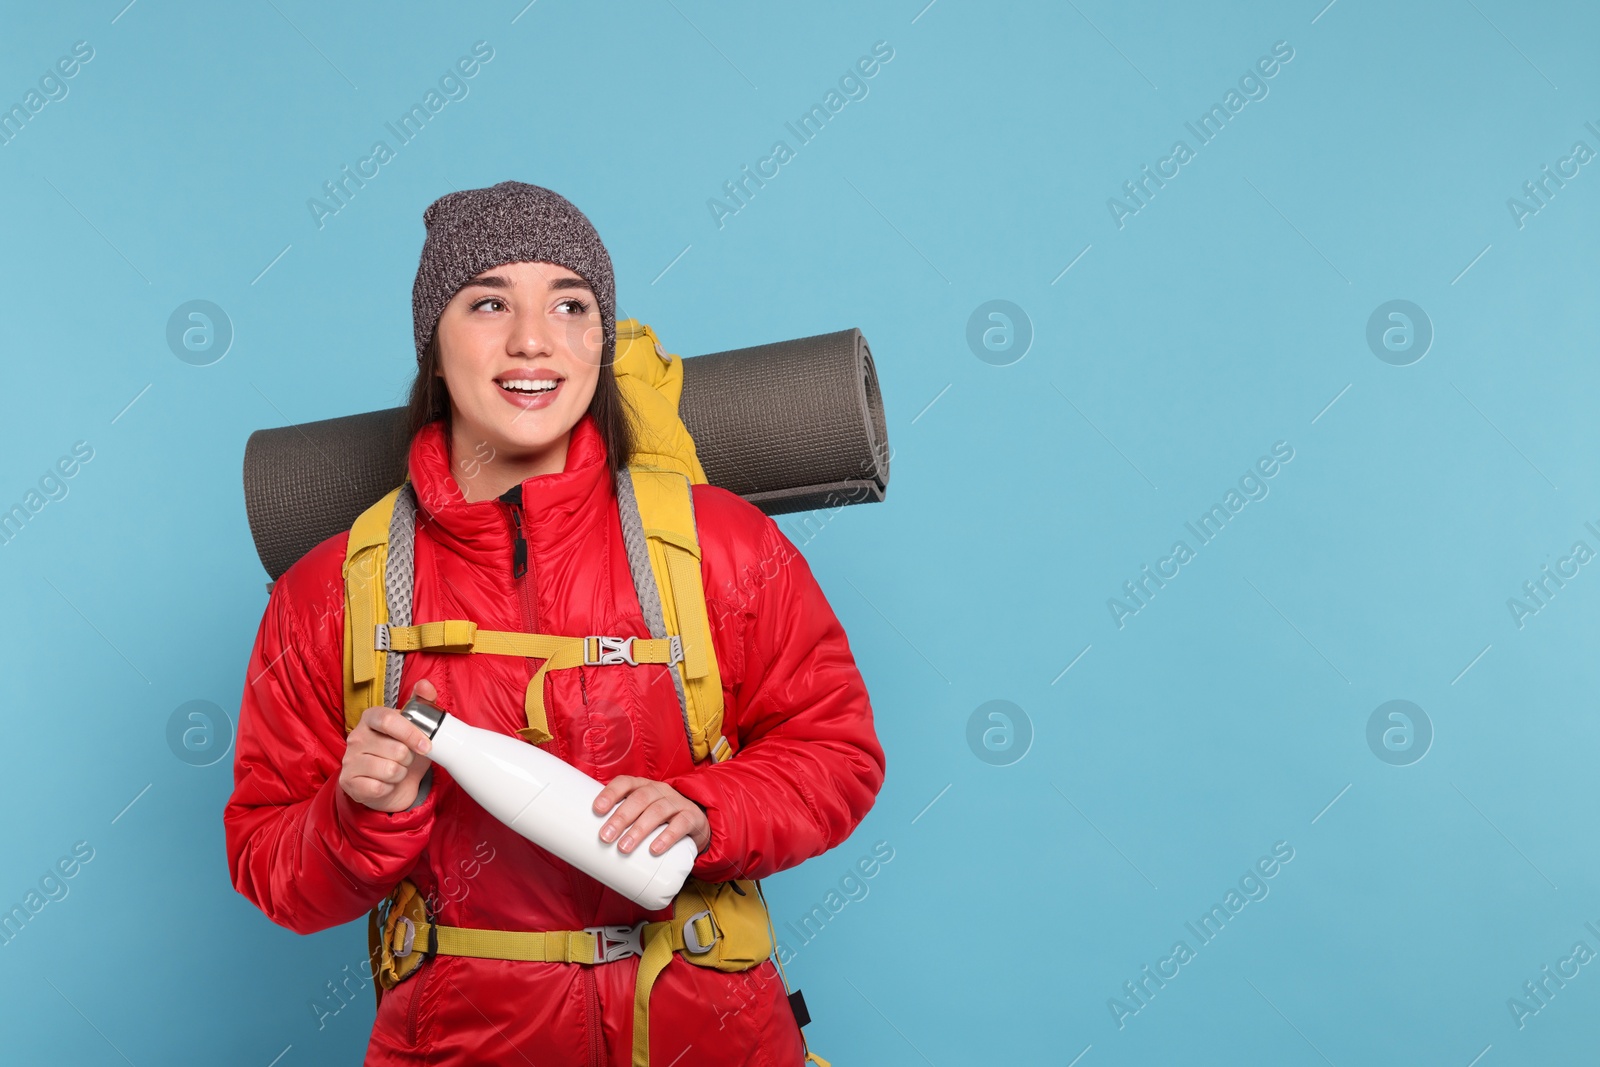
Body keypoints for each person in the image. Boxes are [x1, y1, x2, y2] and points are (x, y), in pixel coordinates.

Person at [223, 181, 886, 1065]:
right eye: (489, 301)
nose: (533, 338)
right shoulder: (330, 593)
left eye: (569, 304)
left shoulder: (717, 542)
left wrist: (705, 807)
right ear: (434, 341)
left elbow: (837, 753)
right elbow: (272, 865)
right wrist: (358, 815)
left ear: (599, 339)